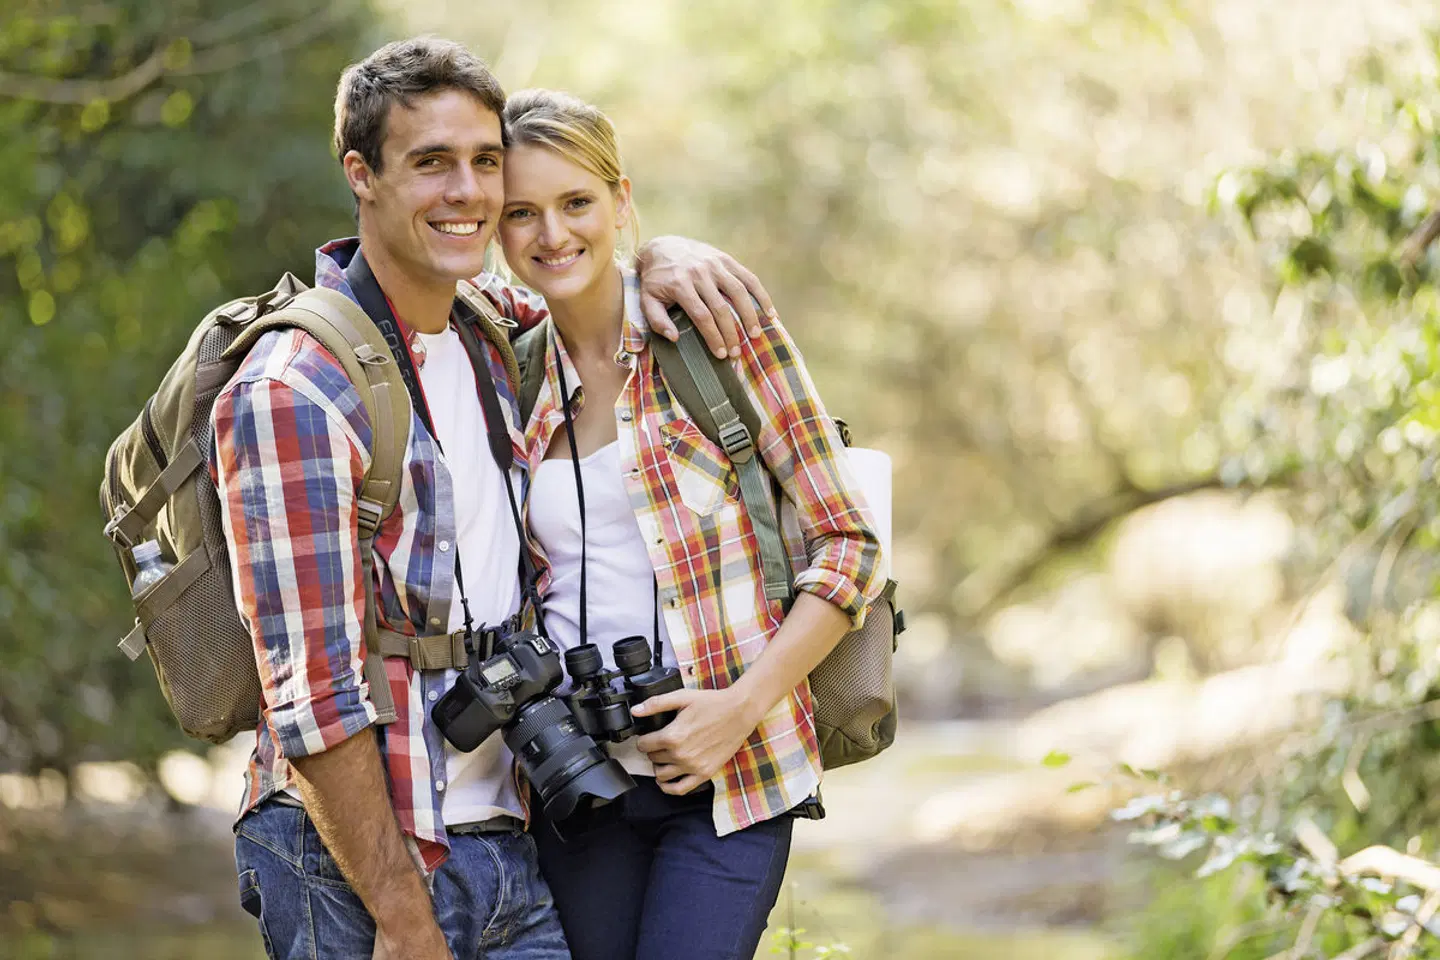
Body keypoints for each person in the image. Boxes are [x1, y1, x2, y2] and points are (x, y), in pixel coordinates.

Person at [215, 39, 773, 960]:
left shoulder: (487, 335)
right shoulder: (294, 391)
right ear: (362, 175)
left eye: (484, 162)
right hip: (357, 861)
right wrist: (401, 915)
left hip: (509, 833)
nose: (467, 192)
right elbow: (312, 696)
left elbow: (587, 285)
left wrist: (663, 253)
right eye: (431, 162)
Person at [499, 88, 886, 960]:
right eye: (521, 213)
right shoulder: (506, 365)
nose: (551, 235)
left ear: (622, 201)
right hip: (578, 784)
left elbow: (850, 543)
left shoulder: (715, 336)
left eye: (576, 203)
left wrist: (740, 708)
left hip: (734, 774)